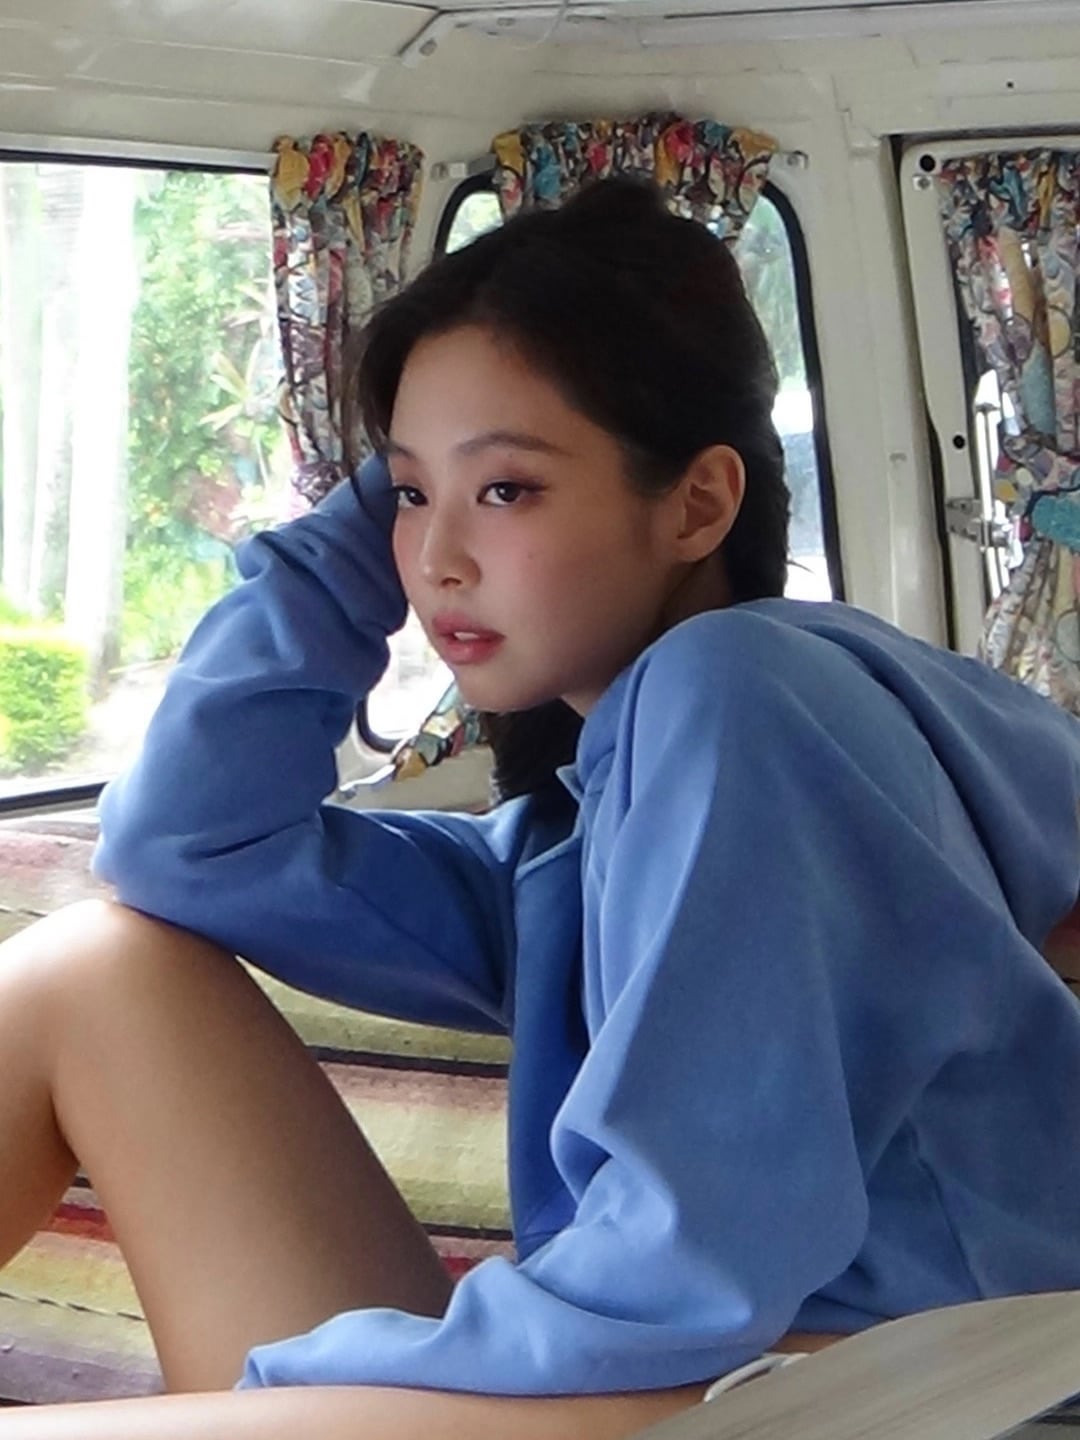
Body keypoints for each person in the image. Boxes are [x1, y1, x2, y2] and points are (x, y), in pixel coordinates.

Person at [2, 176, 1080, 1440]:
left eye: (508, 490)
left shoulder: (745, 692)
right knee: (101, 966)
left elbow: (687, 1268)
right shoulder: (573, 839)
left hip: (884, 1394)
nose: (437, 562)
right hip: (680, 1377)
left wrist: (309, 1389)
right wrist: (375, 526)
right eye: (409, 497)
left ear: (698, 503)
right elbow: (188, 848)